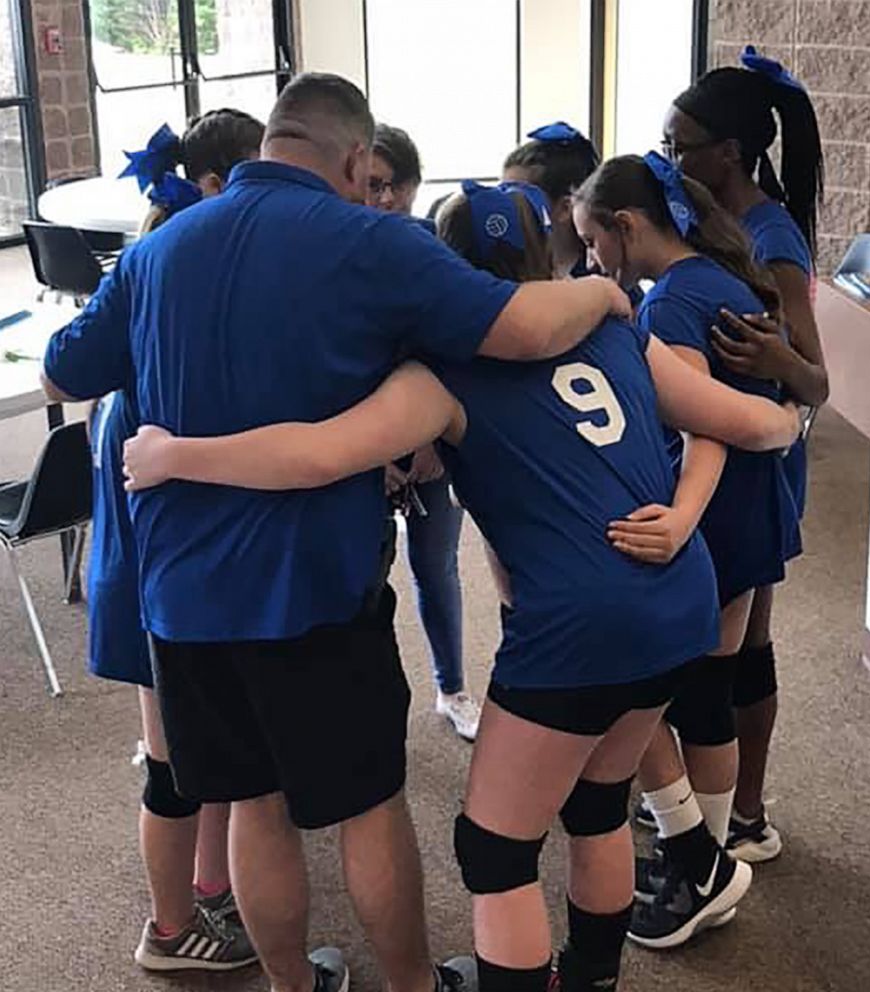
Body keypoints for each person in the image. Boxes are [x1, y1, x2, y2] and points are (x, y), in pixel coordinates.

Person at [120, 180, 799, 992]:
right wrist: (710, 488)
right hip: (677, 599)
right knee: (596, 805)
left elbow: (313, 455)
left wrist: (173, 456)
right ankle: (588, 979)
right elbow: (751, 424)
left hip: (574, 626)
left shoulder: (441, 375)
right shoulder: (619, 328)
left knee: (497, 850)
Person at [42, 72, 632, 992]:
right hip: (315, 585)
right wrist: (600, 297)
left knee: (253, 804)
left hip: (184, 597)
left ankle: (292, 985)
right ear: (357, 160)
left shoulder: (158, 250)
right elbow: (515, 326)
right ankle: (404, 985)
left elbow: (65, 371)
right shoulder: (371, 240)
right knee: (367, 805)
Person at [573, 152, 801, 948]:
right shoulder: (718, 276)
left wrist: (676, 521)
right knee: (708, 691)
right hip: (752, 512)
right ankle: (700, 858)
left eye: (594, 242)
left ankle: (693, 858)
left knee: (639, 696)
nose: (592, 261)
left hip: (709, 517)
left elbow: (705, 421)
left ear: (627, 227)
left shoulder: (669, 305)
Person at [89, 110, 264, 972]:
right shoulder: (159, 301)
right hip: (161, 580)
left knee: (202, 752)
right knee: (173, 761)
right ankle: (170, 930)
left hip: (170, 574)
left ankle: (205, 893)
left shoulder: (162, 276)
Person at [663, 44, 828, 861]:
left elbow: (817, 380)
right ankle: (720, 809)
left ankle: (743, 813)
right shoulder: (710, 220)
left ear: (727, 153)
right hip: (716, 451)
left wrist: (778, 365)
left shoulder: (772, 239)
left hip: (758, 464)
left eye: (678, 144)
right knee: (718, 641)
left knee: (740, 645)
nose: (668, 157)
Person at [368, 123, 480, 741]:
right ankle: (368, 703)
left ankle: (452, 688)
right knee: (362, 574)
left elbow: (449, 355)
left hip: (432, 443)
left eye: (394, 186)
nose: (382, 199)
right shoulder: (340, 261)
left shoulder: (431, 254)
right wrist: (381, 452)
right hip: (366, 446)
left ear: (413, 188)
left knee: (436, 564)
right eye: (371, 185)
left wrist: (432, 439)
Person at [502, 121, 600, 277]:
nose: (503, 207)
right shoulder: (503, 268)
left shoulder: (607, 277)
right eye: (502, 194)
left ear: (565, 208)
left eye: (518, 200)